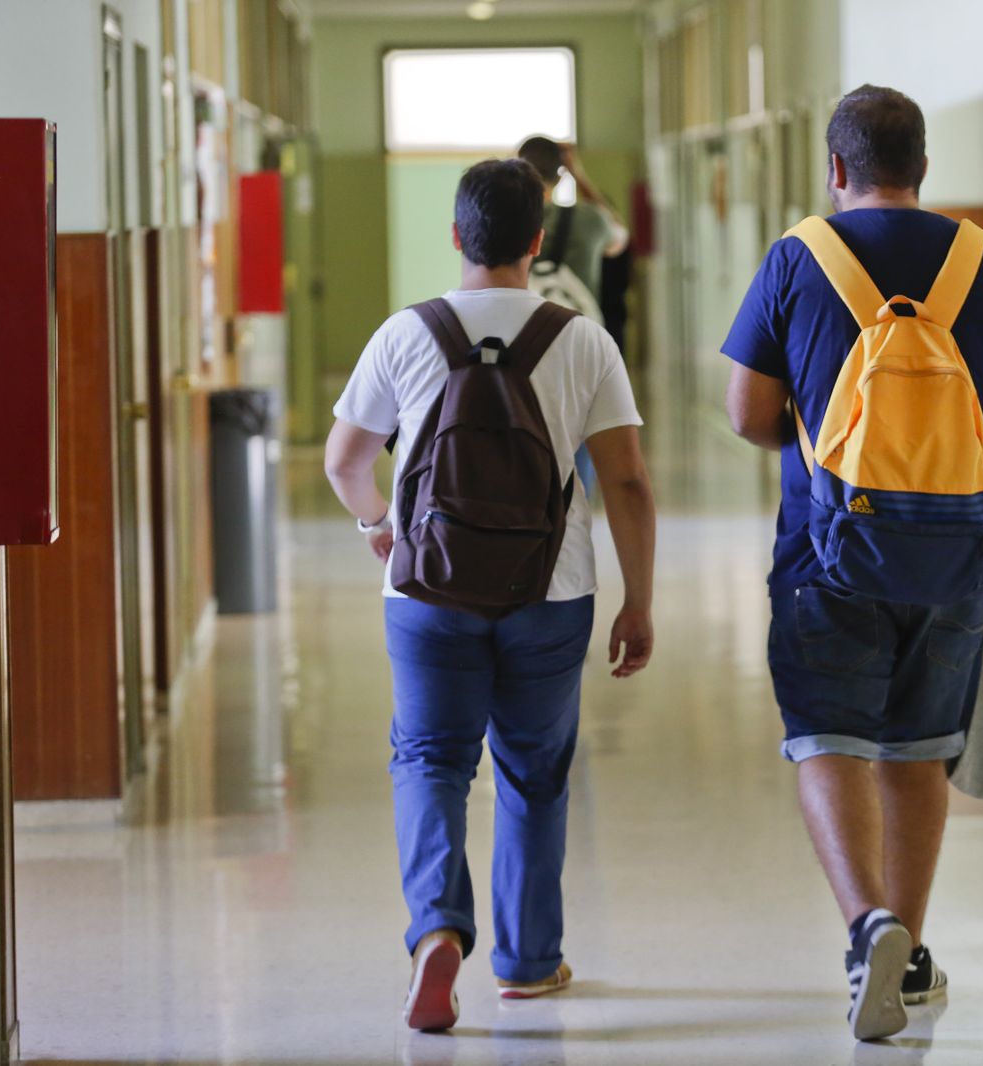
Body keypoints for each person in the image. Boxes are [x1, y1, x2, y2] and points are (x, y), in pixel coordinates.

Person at [721, 85, 983, 1041]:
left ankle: (867, 923)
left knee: (826, 737)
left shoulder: (799, 257)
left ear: (837, 167)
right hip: (952, 551)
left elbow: (747, 413)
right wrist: (968, 481)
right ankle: (908, 956)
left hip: (825, 548)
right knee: (918, 748)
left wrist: (823, 453)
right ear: (922, 166)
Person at [323, 158, 657, 1032]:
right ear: (537, 241)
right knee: (535, 774)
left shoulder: (405, 334)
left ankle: (437, 928)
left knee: (430, 761)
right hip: (552, 590)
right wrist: (639, 599)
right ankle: (530, 963)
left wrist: (378, 526)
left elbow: (344, 461)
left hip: (427, 590)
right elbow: (627, 482)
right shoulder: (582, 340)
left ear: (456, 236)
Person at [518, 136, 631, 495]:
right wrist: (579, 175)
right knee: (580, 430)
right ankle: (573, 502)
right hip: (578, 340)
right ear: (560, 172)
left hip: (524, 339)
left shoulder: (512, 219)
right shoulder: (589, 220)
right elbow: (620, 239)